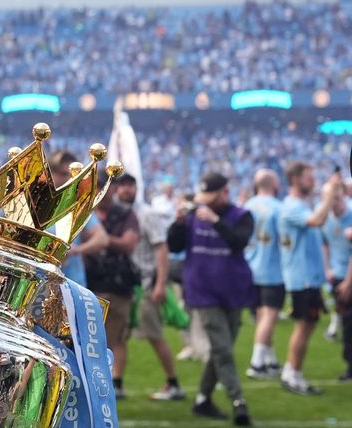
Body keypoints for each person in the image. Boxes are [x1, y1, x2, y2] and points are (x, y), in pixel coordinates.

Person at [167, 172, 253, 426]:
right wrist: (179, 223)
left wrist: (215, 221)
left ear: (224, 193)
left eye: (211, 198)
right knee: (223, 349)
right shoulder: (194, 215)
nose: (206, 203)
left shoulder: (241, 216)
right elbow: (174, 246)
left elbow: (239, 242)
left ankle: (202, 400)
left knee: (221, 348)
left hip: (233, 290)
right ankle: (239, 402)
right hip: (203, 291)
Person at [116, 174, 183, 401]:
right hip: (123, 285)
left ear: (136, 188)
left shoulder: (147, 215)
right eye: (122, 186)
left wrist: (161, 284)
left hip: (145, 284)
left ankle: (173, 383)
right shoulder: (117, 215)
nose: (126, 190)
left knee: (154, 335)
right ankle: (117, 384)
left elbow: (161, 250)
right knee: (119, 336)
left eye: (129, 186)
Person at [278, 162, 341, 395]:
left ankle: (292, 371)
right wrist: (330, 195)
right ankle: (292, 374)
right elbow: (316, 221)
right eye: (308, 177)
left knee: (309, 324)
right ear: (295, 180)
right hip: (301, 278)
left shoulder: (300, 205)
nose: (312, 181)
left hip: (309, 278)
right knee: (304, 326)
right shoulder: (292, 207)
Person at [85, 175, 139, 400]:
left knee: (116, 337)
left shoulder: (125, 213)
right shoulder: (88, 213)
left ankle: (116, 382)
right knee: (91, 338)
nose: (105, 194)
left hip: (117, 285)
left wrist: (104, 240)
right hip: (91, 284)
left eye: (108, 189)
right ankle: (95, 381)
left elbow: (129, 243)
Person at [243, 169, 285, 379]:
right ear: (273, 185)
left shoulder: (247, 206)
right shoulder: (278, 208)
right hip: (272, 269)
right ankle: (257, 362)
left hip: (251, 268)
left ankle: (270, 359)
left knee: (262, 315)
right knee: (269, 315)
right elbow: (285, 241)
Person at [49, 150, 108, 288]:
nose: (70, 179)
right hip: (38, 285)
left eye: (74, 175)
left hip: (70, 285)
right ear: (50, 173)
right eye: (64, 174)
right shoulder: (36, 203)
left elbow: (102, 238)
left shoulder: (77, 207)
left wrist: (77, 250)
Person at [322, 183, 352, 382]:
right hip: (338, 277)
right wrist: (327, 269)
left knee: (349, 322)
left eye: (336, 198)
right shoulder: (325, 219)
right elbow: (324, 243)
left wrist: (349, 282)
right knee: (345, 323)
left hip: (348, 277)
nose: (333, 203)